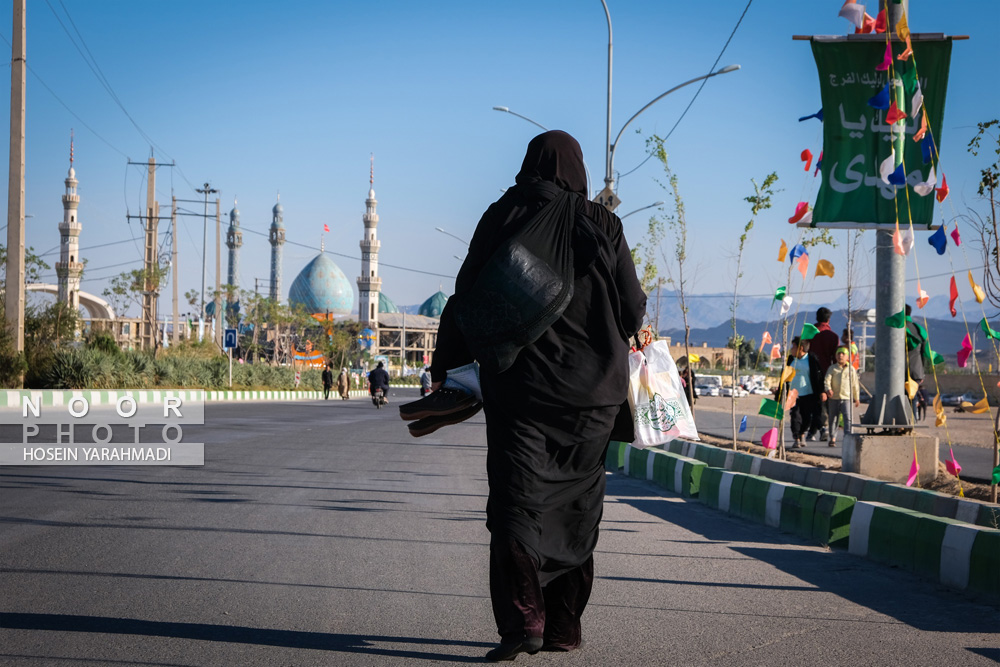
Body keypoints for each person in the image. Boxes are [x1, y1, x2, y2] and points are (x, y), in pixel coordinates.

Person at [428, 131, 646, 660]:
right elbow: (633, 309)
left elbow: (466, 296)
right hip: (593, 397)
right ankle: (564, 629)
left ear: (529, 165)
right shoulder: (604, 223)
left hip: (521, 391)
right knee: (576, 506)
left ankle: (524, 621)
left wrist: (447, 367)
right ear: (577, 170)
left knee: (516, 502)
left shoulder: (503, 214)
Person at [787, 336, 825, 448]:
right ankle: (797, 437)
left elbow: (819, 376)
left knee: (806, 417)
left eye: (793, 347)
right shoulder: (790, 360)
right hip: (793, 394)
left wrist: (822, 391)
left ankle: (802, 434)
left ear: (801, 348)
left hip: (809, 393)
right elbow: (784, 375)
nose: (791, 349)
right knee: (795, 416)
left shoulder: (811, 359)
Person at [810, 307, 840, 441]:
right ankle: (825, 428)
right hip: (826, 371)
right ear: (828, 319)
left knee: (811, 401)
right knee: (826, 402)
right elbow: (836, 358)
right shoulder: (833, 336)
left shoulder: (809, 333)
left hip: (809, 371)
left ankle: (815, 429)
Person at [824, 347, 860, 447]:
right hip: (834, 398)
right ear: (835, 356)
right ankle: (833, 438)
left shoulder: (851, 369)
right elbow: (827, 380)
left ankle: (848, 437)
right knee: (833, 419)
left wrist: (857, 398)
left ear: (847, 356)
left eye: (843, 354)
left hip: (846, 398)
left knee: (847, 418)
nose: (840, 356)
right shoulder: (832, 368)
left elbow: (855, 384)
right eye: (838, 354)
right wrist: (828, 389)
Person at [904, 304, 928, 422]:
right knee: (912, 397)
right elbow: (924, 353)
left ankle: (902, 424)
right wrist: (921, 372)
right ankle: (912, 423)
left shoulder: (896, 328)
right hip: (916, 370)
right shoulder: (919, 329)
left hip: (899, 371)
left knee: (899, 396)